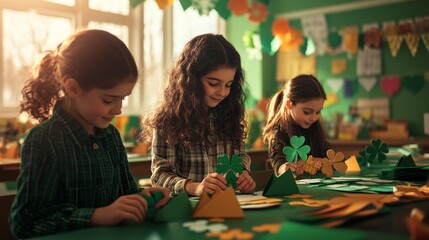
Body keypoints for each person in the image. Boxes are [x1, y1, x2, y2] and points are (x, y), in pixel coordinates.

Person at [9, 29, 170, 239]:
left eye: (123, 99)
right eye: (108, 100)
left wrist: (143, 198)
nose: (118, 109)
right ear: (73, 88)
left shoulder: (111, 136)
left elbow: (127, 191)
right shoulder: (43, 140)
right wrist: (97, 216)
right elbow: (25, 223)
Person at [142, 33, 256, 197]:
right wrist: (194, 187)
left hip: (228, 203)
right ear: (191, 79)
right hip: (187, 209)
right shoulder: (168, 120)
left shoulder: (230, 114)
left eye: (229, 85)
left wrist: (244, 173)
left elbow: (240, 156)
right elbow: (159, 176)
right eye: (213, 83)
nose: (223, 92)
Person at [262, 74, 333, 176]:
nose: (313, 118)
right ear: (289, 104)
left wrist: (307, 162)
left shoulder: (314, 127)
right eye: (307, 112)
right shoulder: (278, 131)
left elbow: (333, 158)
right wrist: (284, 168)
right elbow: (278, 160)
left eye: (318, 112)